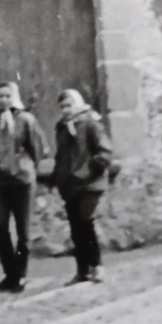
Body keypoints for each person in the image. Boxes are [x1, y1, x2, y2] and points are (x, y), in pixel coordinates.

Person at [0, 81, 46, 293]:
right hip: (1, 182)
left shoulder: (26, 120)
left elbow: (38, 149)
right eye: (0, 96)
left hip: (22, 182)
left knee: (23, 231)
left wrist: (26, 166)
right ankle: (9, 273)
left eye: (7, 96)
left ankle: (20, 275)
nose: (3, 100)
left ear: (14, 97)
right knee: (0, 226)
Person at [52, 88, 114, 284]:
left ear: (77, 104)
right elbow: (61, 157)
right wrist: (59, 177)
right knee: (75, 228)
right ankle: (82, 270)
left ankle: (97, 265)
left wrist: (91, 168)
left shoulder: (90, 124)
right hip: (71, 185)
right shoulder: (61, 128)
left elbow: (104, 151)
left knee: (85, 222)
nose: (66, 110)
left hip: (90, 183)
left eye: (69, 105)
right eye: (62, 107)